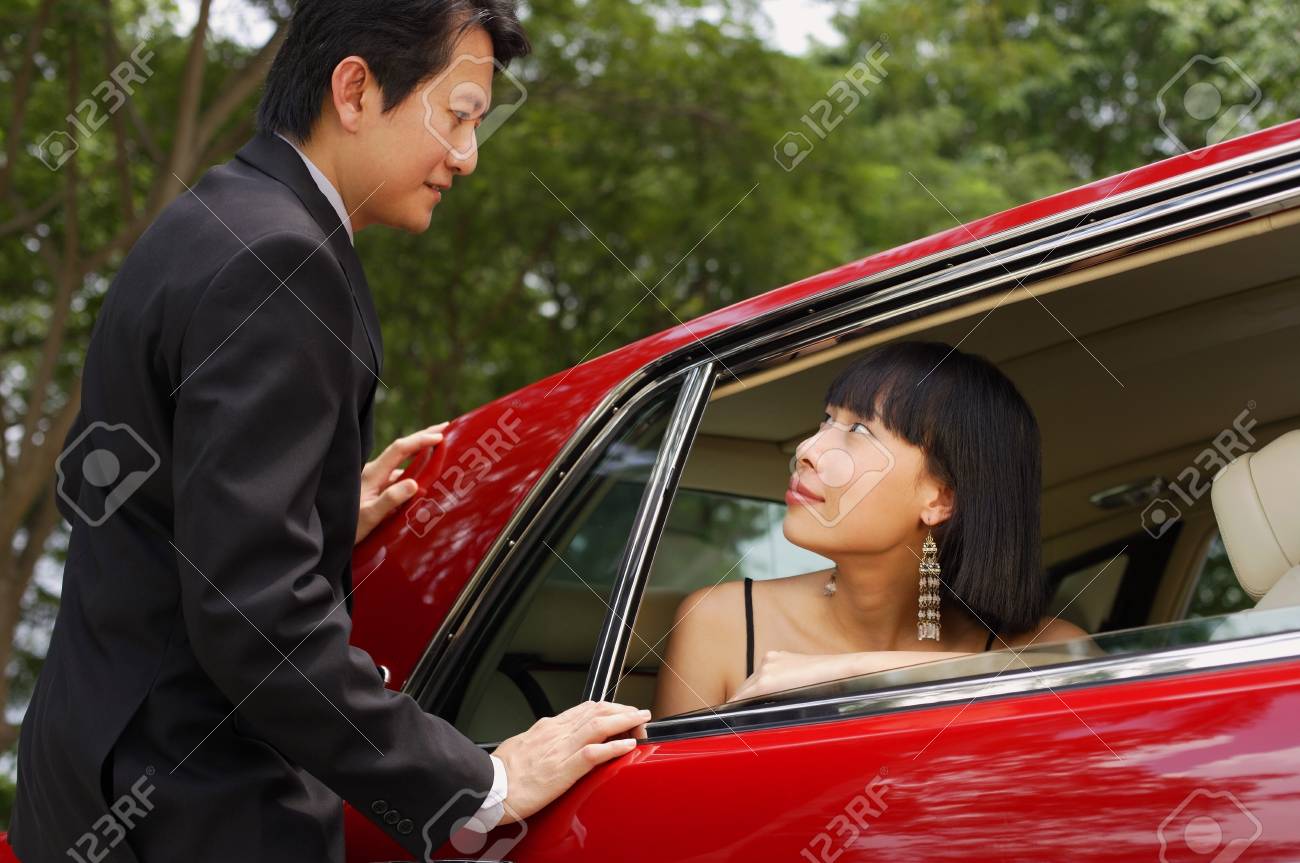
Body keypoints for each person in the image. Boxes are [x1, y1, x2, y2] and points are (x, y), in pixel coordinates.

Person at [12, 2, 647, 862]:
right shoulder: (286, 261)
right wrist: (483, 783)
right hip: (196, 808)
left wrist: (309, 508)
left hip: (84, 780)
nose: (468, 155)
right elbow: (257, 617)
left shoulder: (208, 216)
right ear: (354, 90)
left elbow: (103, 486)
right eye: (459, 116)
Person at [653, 340, 1086, 717]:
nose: (808, 449)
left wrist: (850, 672)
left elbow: (1092, 683)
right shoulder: (720, 622)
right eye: (827, 420)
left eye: (859, 429)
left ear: (941, 499)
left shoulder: (1046, 649)